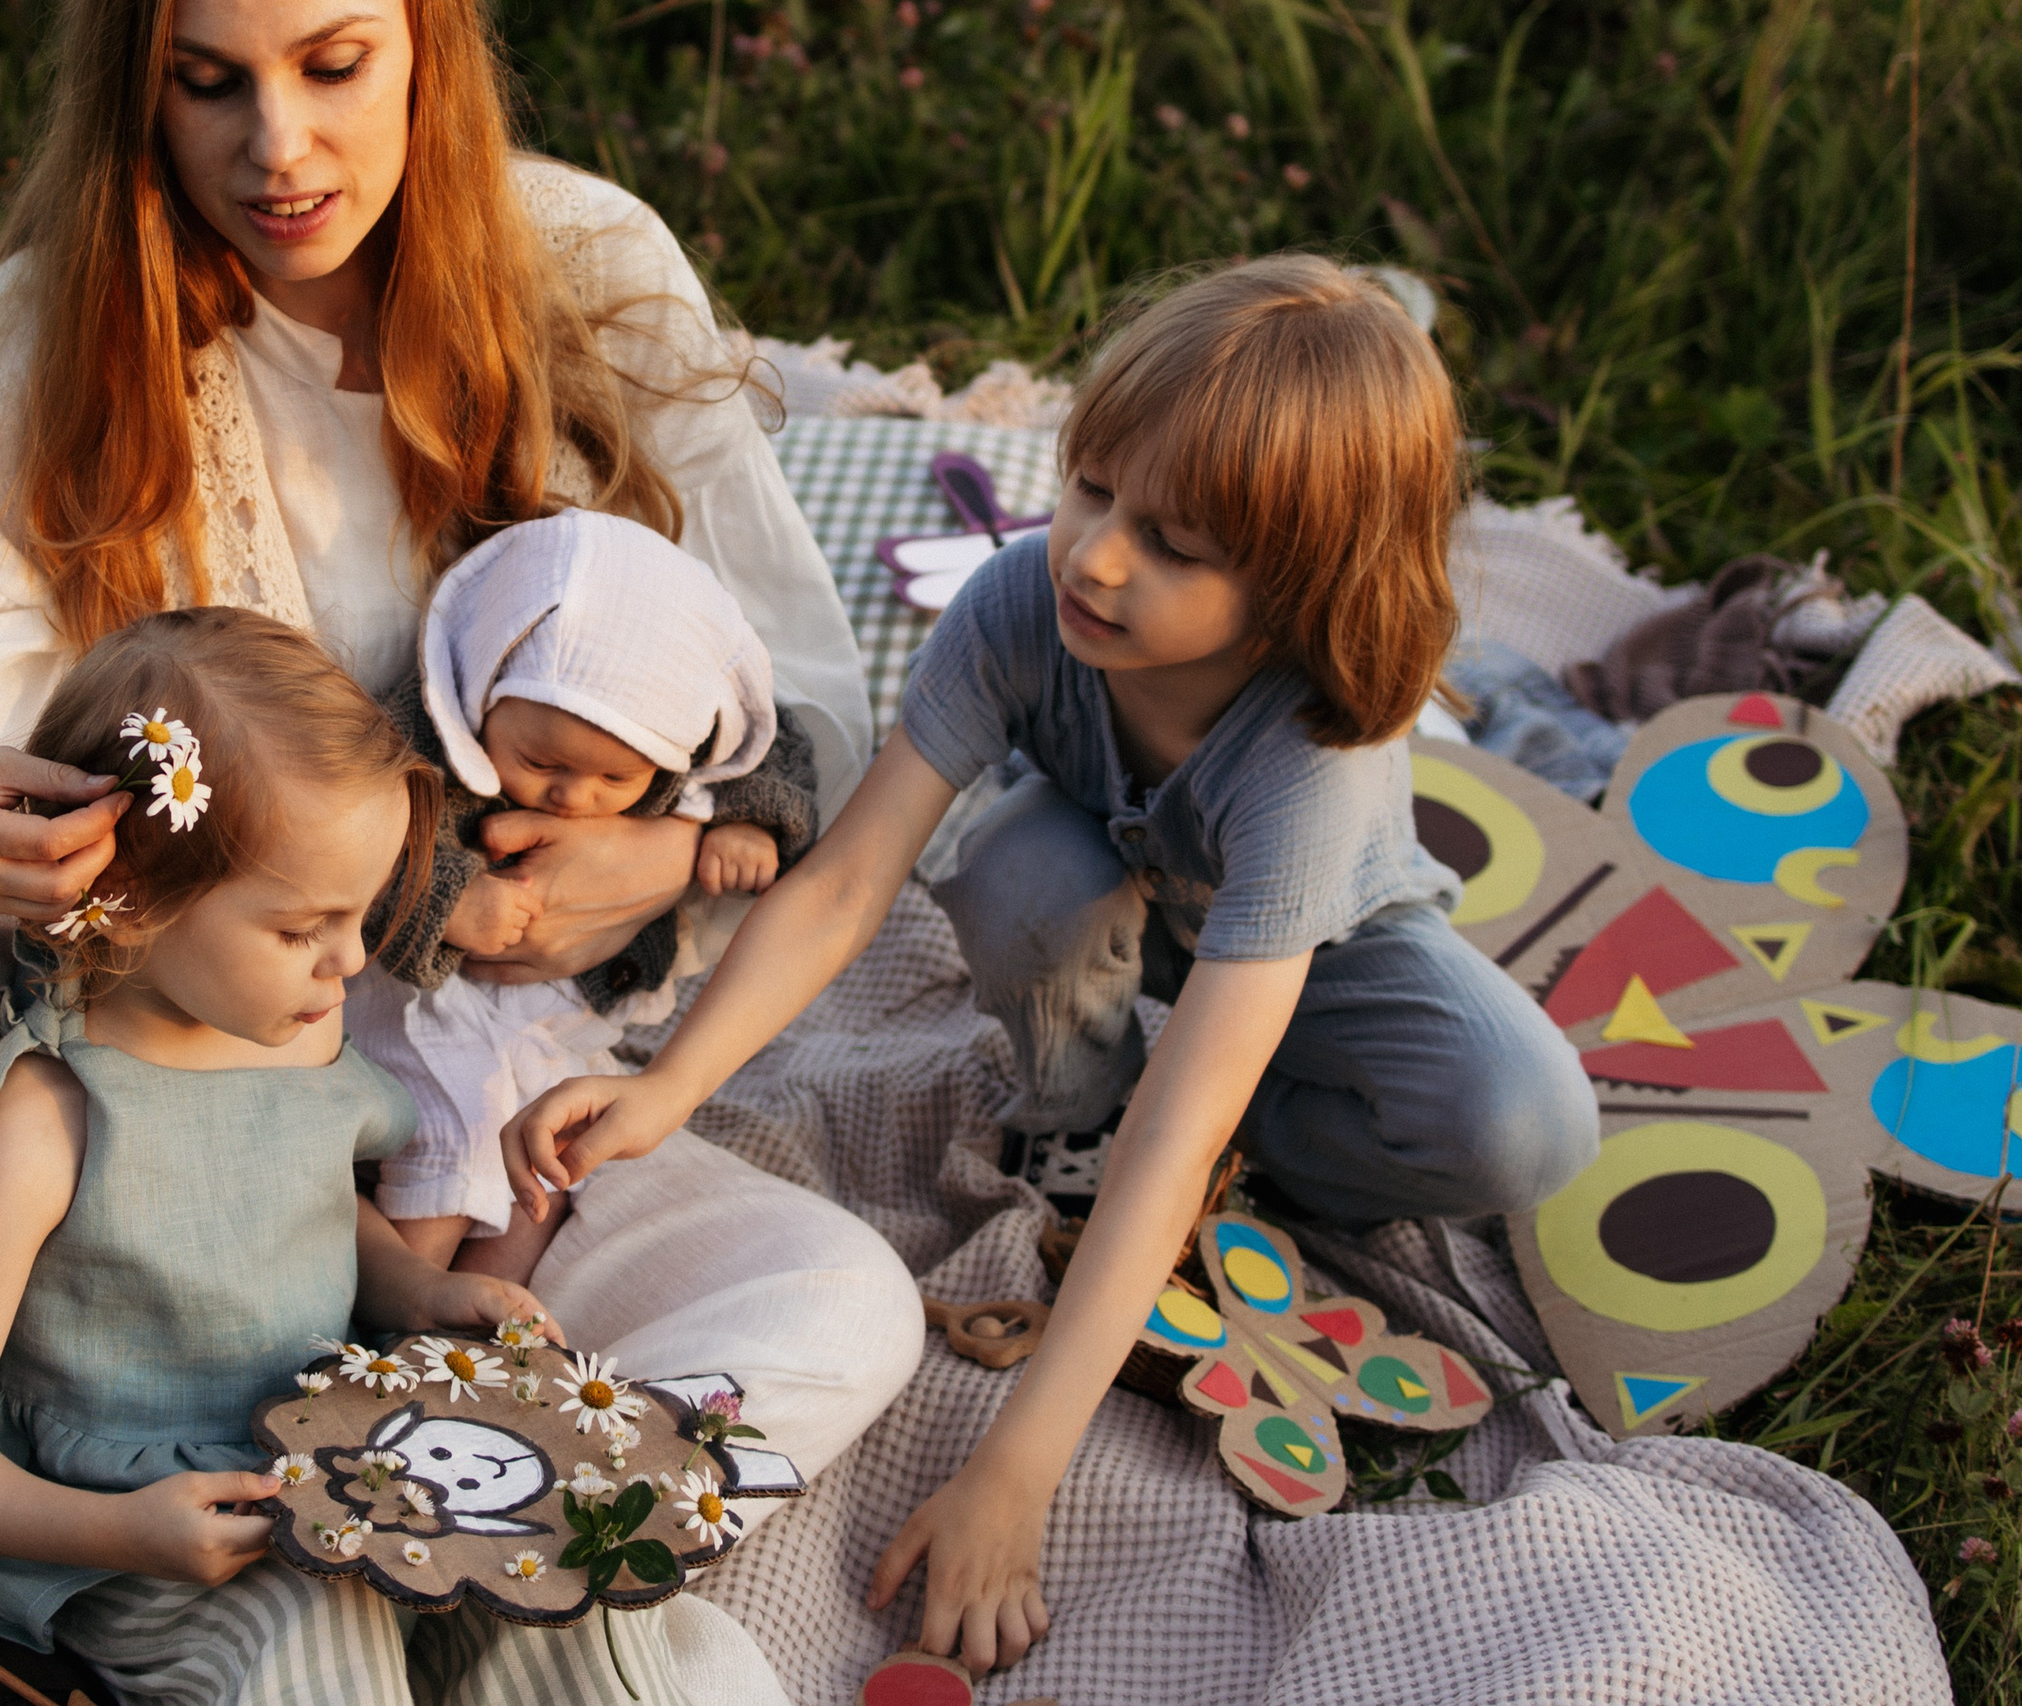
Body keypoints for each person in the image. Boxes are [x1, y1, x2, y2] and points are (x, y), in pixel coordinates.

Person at [0, 0, 919, 1688]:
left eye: (332, 66)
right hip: (166, 1110)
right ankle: (56, 1545)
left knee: (842, 1299)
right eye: (207, 83)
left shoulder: (586, 266)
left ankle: (454, 1515)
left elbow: (797, 707)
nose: (277, 149)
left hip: (476, 1113)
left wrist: (660, 864)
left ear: (428, 47)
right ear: (136, 88)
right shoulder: (70, 331)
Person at [502, 256, 1602, 1676]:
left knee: (1523, 1122)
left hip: (1316, 951)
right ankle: (1079, 1100)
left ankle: (1234, 1140)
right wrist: (670, 1089)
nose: (1095, 556)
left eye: (1175, 545)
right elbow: (844, 882)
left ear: (1297, 592)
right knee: (1018, 872)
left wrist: (1016, 1473)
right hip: (1100, 881)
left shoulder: (1309, 756)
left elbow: (1182, 1127)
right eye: (1089, 488)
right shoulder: (1025, 600)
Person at [0, 607, 677, 1703]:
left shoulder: (299, 1033)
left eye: (360, 914)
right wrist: (121, 1530)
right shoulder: (51, 1117)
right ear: (130, 899)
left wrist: (422, 1289)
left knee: (567, 1603)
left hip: (346, 1461)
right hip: (149, 1538)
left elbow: (309, 1204)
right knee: (318, 1637)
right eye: (299, 928)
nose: (352, 960)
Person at [349, 507, 818, 1284]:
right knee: (458, 1130)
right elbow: (356, 842)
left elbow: (770, 748)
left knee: (552, 1148)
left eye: (615, 779)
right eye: (541, 762)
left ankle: (495, 1309)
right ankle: (405, 1301)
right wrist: (448, 902)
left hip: (549, 1016)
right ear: (482, 693)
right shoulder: (421, 737)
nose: (573, 795)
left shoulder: (685, 719)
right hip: (426, 1004)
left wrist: (747, 824)